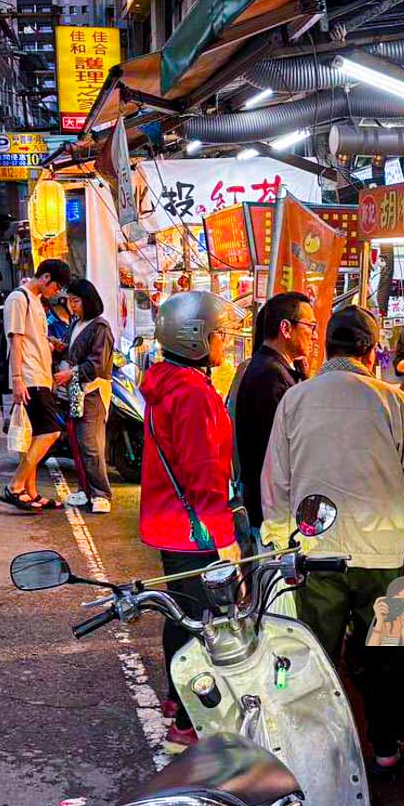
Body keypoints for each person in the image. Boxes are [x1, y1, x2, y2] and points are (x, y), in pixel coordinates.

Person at [261, 305, 404, 775]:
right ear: (369, 349)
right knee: (386, 654)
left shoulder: (295, 399)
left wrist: (279, 540)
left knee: (317, 653)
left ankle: (317, 753)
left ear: (327, 347)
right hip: (382, 554)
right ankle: (383, 747)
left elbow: (275, 481)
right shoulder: (390, 399)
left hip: (318, 552)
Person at [140, 291, 245, 748]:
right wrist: (225, 538)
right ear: (197, 338)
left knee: (180, 615)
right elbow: (203, 473)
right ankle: (186, 722)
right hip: (195, 527)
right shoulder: (192, 393)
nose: (225, 342)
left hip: (170, 522)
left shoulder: (166, 381)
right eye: (220, 334)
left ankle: (172, 697)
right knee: (203, 622)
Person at [233, 292, 314, 534]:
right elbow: (281, 448)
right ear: (286, 328)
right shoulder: (270, 375)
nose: (315, 334)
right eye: (310, 326)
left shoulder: (272, 367)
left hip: (268, 506)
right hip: (272, 512)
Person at [0, 258, 74, 511]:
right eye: (56, 287)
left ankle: (30, 492)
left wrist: (50, 344)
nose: (56, 293)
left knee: (33, 435)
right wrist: (17, 379)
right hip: (29, 376)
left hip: (39, 374)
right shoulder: (18, 298)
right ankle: (15, 485)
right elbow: (16, 340)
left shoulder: (35, 300)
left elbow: (33, 338)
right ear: (45, 279)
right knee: (50, 431)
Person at [62, 279, 115, 513]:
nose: (72, 306)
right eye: (69, 301)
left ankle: (101, 492)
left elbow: (97, 364)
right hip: (76, 391)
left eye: (75, 301)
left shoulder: (100, 327)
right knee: (77, 442)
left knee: (90, 443)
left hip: (92, 391)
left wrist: (70, 372)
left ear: (87, 300)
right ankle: (86, 490)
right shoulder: (76, 324)